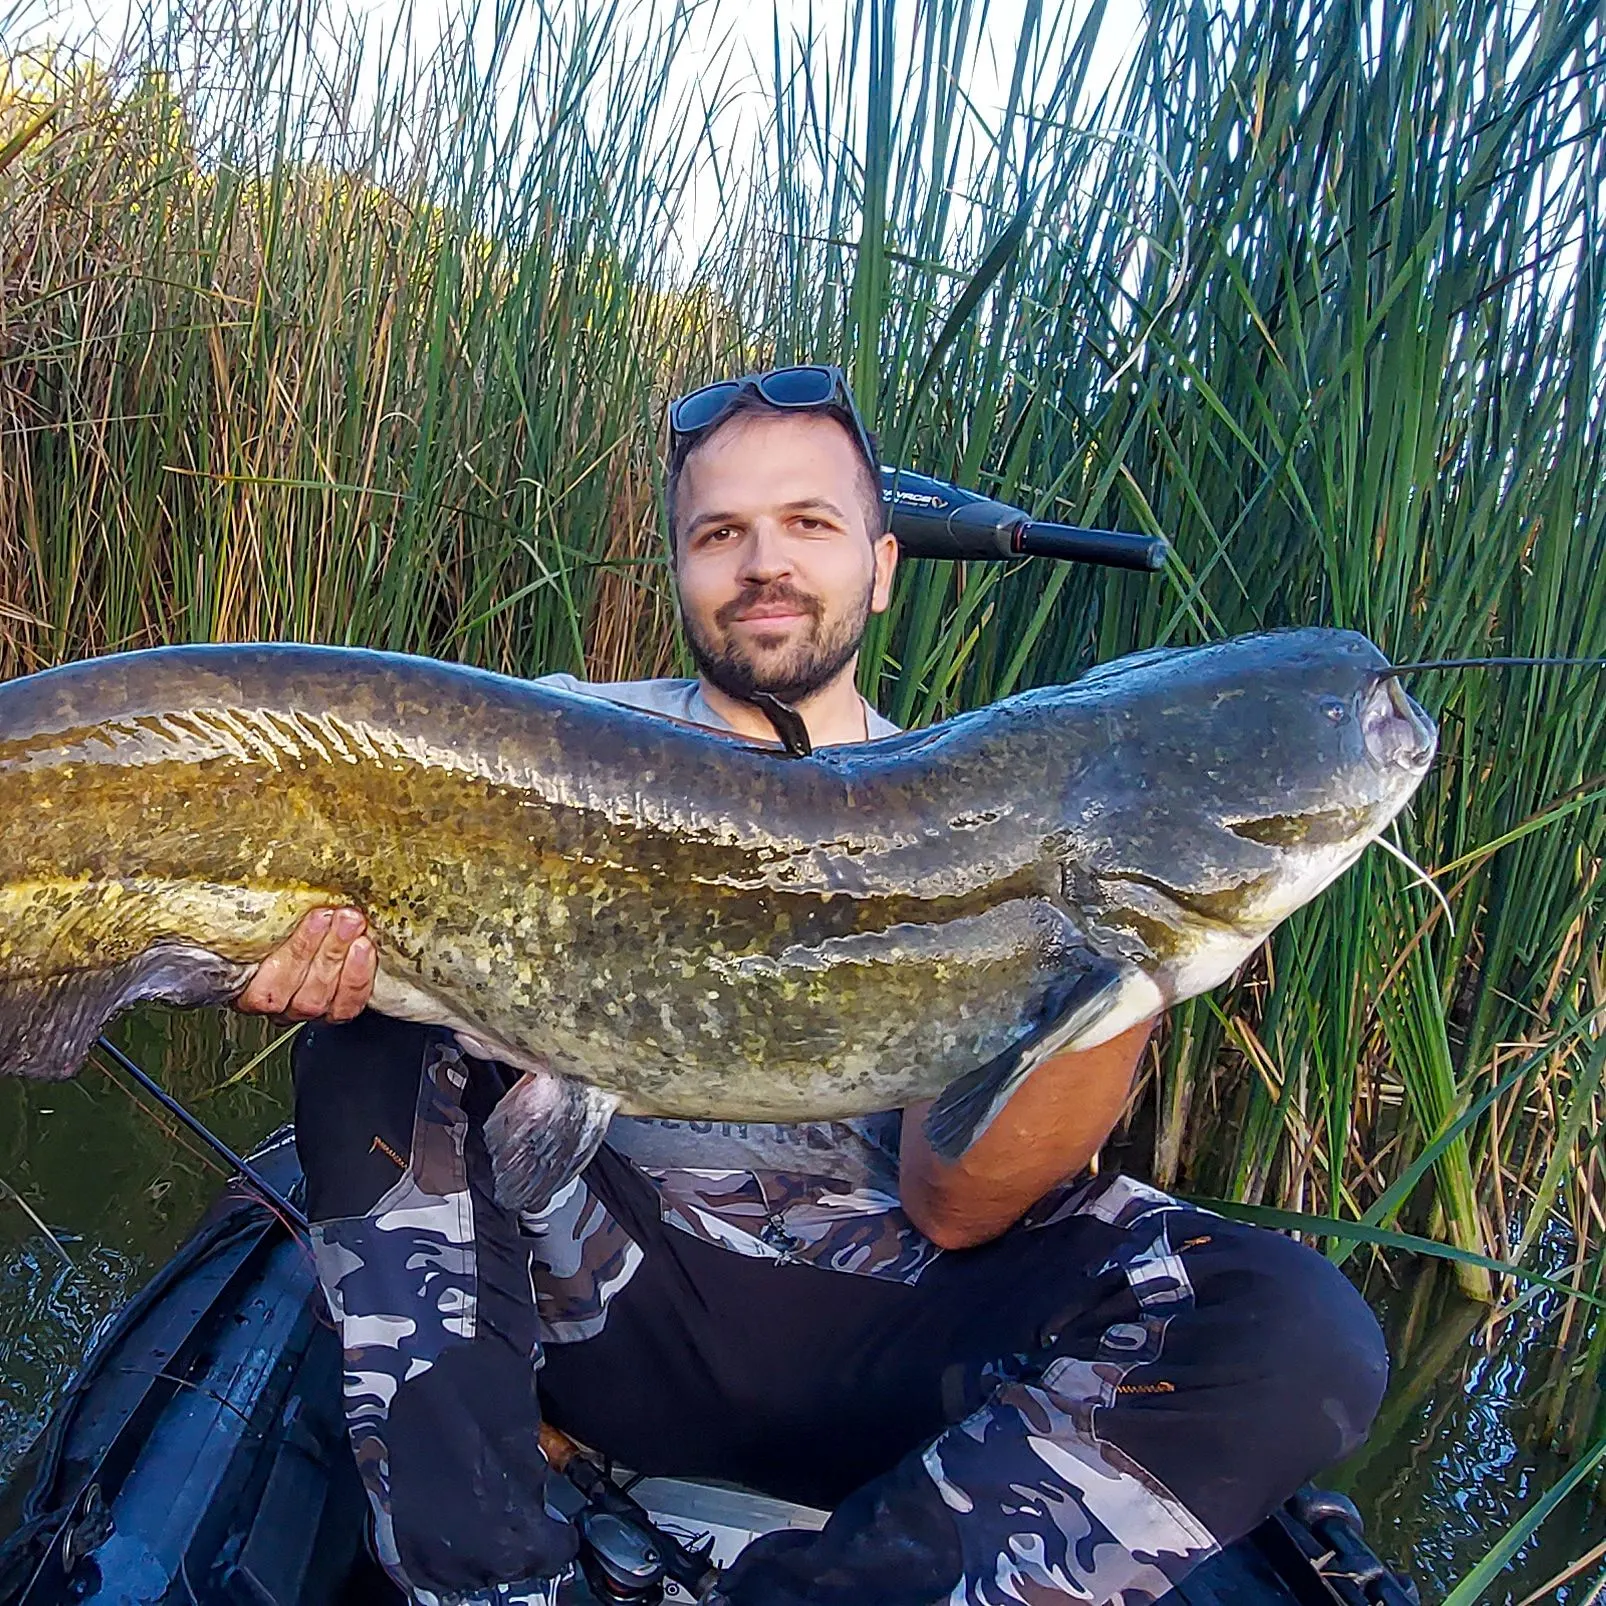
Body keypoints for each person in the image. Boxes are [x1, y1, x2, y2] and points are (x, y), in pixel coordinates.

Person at [242, 366, 1389, 1606]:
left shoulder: (984, 793)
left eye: (809, 524)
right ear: (679, 567)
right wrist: (276, 943)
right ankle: (487, 1581)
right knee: (374, 1032)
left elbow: (956, 1211)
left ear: (882, 565)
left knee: (1297, 1330)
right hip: (598, 1297)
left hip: (868, 1345)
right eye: (719, 533)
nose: (762, 564)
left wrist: (1124, 963)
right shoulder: (541, 737)